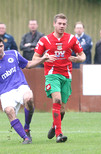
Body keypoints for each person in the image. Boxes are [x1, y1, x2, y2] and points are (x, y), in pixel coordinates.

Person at [0, 36, 56, 144]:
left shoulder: (13, 54)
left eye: (1, 46)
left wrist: (42, 59)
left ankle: (27, 128)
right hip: (5, 93)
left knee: (29, 98)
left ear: (3, 46)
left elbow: (28, 64)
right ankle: (26, 138)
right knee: (9, 111)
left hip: (20, 86)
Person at [33, 13, 86, 143]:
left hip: (66, 76)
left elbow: (83, 55)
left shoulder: (72, 39)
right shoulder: (44, 40)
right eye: (59, 24)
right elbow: (34, 58)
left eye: (64, 24)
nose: (62, 26)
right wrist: (44, 58)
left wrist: (78, 59)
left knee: (62, 110)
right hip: (52, 75)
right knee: (56, 100)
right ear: (54, 24)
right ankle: (59, 134)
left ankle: (54, 125)